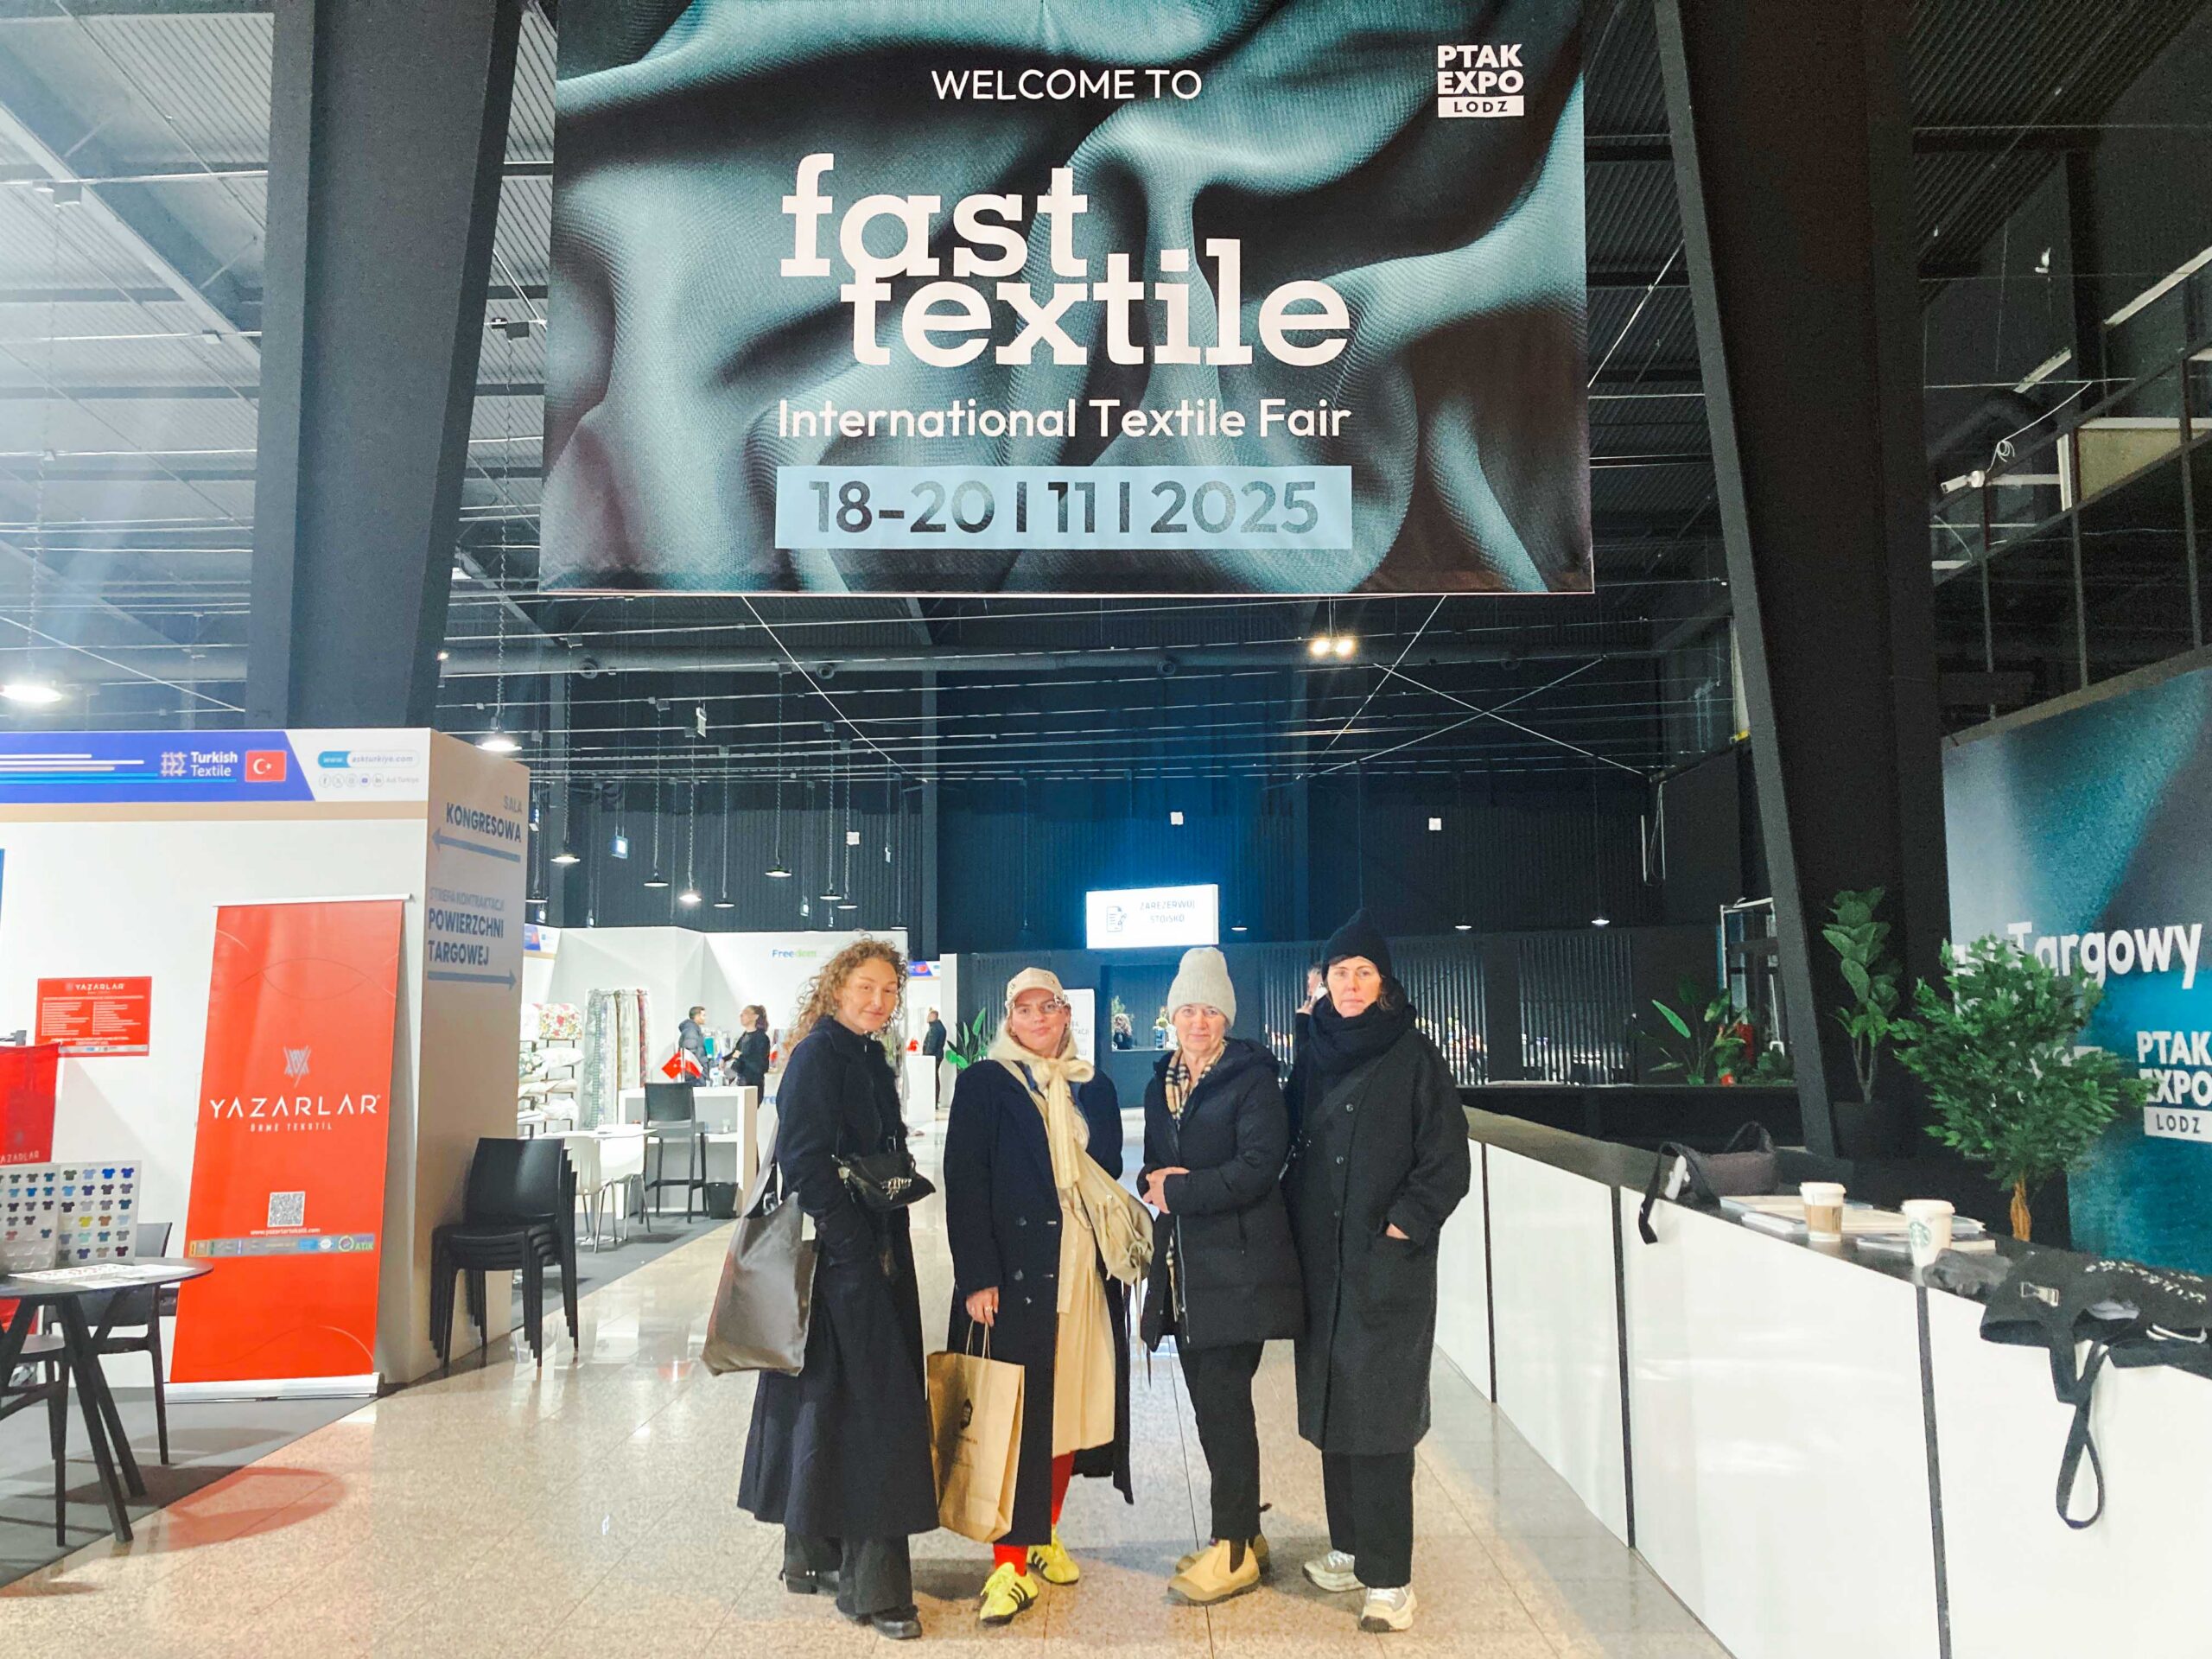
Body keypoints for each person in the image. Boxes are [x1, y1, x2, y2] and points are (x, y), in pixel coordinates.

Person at [736, 942, 934, 1642]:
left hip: (860, 1253)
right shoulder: (820, 1056)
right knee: (877, 1413)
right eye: (866, 987)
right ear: (838, 987)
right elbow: (802, 1158)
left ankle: (809, 1553)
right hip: (845, 1258)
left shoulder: (863, 1054)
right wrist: (852, 1245)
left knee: (825, 1401)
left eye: (889, 991)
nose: (879, 1001)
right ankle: (875, 1589)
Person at [1283, 910, 1471, 1635]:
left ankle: (1390, 1579)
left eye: (1364, 972)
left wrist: (1402, 1226)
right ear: (1324, 982)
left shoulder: (1415, 1055)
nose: (1352, 984)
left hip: (1387, 1266)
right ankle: (1351, 1547)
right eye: (1341, 972)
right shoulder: (1315, 1051)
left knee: (1382, 1418)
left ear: (1384, 983)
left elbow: (1446, 1161)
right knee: (1335, 1408)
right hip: (1321, 1265)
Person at [944, 968, 1133, 1627]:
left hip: (1081, 1271)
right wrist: (977, 1276)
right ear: (1009, 1019)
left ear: (1065, 1013)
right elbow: (965, 1180)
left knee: (1067, 1406)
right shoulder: (986, 1083)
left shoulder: (1092, 1086)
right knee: (1015, 1415)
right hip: (1015, 1276)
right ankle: (1008, 1563)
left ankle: (1045, 1530)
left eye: (1047, 1007)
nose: (1037, 1019)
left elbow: (1108, 1170)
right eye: (1023, 1010)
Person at [1137, 947, 1302, 1605]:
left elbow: (1260, 1168)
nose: (1198, 1022)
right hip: (1185, 1274)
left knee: (1225, 1408)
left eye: (1210, 1011)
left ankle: (1231, 1549)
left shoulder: (1253, 1080)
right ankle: (1245, 1538)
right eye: (1188, 1010)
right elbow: (1157, 1165)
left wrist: (1180, 1190)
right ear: (1172, 1016)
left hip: (1239, 1272)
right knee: (1212, 1409)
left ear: (1226, 1017)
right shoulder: (1161, 1084)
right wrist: (1154, 1184)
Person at [731, 1003, 772, 1090]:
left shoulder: (761, 1038)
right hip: (741, 1081)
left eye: (746, 1013)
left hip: (754, 1082)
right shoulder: (743, 1037)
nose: (741, 1016)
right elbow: (736, 1053)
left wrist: (740, 1057)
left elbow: (759, 1063)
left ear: (755, 1017)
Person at [677, 1004, 709, 1084]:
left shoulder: (693, 1030)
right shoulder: (691, 1031)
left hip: (696, 1074)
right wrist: (699, 1072)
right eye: (703, 1015)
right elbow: (690, 1053)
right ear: (697, 1017)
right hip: (695, 1076)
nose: (705, 1018)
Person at [921, 1006, 947, 1103]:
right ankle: (935, 1100)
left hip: (933, 1057)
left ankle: (933, 1100)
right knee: (935, 1077)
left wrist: (926, 1056)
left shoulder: (934, 1029)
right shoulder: (940, 1027)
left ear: (933, 1016)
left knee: (933, 1078)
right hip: (938, 1056)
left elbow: (931, 1045)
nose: (927, 1018)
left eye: (929, 1016)